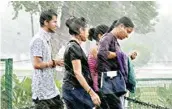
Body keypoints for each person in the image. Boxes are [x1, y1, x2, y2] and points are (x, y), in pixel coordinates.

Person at [62, 16, 101, 109]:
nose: (88, 33)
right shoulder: (74, 47)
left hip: (73, 89)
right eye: (86, 30)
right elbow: (77, 73)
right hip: (74, 89)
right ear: (80, 30)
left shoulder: (74, 46)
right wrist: (91, 93)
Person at [97, 16, 136, 109]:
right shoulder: (107, 37)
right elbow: (102, 53)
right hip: (109, 83)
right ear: (121, 26)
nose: (127, 36)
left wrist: (127, 56)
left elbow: (116, 56)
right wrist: (119, 54)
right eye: (128, 31)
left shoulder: (114, 40)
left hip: (113, 84)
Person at [29, 9, 64, 109]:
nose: (56, 25)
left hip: (51, 89)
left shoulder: (45, 39)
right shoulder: (38, 40)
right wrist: (54, 62)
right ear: (45, 22)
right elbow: (36, 64)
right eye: (54, 21)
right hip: (42, 93)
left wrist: (55, 62)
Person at [87, 24, 109, 92]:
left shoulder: (100, 49)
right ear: (100, 36)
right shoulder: (95, 49)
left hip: (101, 84)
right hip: (96, 86)